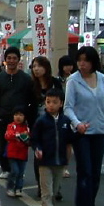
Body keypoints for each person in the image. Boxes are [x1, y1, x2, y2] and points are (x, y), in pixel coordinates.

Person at [63, 46, 104, 206]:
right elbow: (68, 108)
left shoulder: (102, 77)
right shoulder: (73, 81)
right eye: (79, 60)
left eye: (86, 60)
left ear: (93, 62)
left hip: (100, 131)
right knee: (85, 172)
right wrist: (77, 124)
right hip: (82, 133)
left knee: (96, 174)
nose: (82, 64)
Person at [31, 88, 75, 206]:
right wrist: (37, 149)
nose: (50, 105)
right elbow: (34, 139)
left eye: (54, 102)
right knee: (47, 192)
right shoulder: (41, 121)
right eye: (48, 102)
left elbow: (69, 141)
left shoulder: (65, 121)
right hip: (44, 162)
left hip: (60, 162)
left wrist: (67, 160)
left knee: (54, 192)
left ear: (61, 104)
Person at [0, 47, 34, 179]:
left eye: (14, 58)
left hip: (21, 119)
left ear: (19, 60)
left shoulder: (26, 79)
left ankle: (18, 169)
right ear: (5, 60)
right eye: (9, 58)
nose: (11, 61)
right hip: (3, 117)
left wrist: (29, 119)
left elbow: (30, 100)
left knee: (20, 145)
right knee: (3, 144)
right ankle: (5, 169)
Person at [29, 56, 63, 197]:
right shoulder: (31, 85)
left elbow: (62, 101)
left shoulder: (55, 83)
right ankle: (42, 186)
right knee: (39, 158)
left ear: (46, 67)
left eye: (39, 66)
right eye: (34, 66)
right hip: (37, 126)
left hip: (53, 124)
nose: (36, 69)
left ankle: (56, 187)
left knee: (54, 156)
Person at [4, 105, 29, 198]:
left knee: (21, 173)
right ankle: (9, 187)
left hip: (23, 154)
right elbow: (8, 135)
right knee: (15, 171)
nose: (18, 117)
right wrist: (18, 135)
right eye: (16, 114)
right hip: (12, 153)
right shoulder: (11, 126)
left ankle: (18, 188)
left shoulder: (27, 128)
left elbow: (29, 140)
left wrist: (26, 138)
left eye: (21, 115)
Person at [57, 54, 75, 179]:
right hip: (60, 114)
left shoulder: (76, 79)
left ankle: (65, 166)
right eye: (65, 65)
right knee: (59, 141)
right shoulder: (58, 80)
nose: (68, 68)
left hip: (72, 115)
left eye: (70, 65)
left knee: (68, 142)